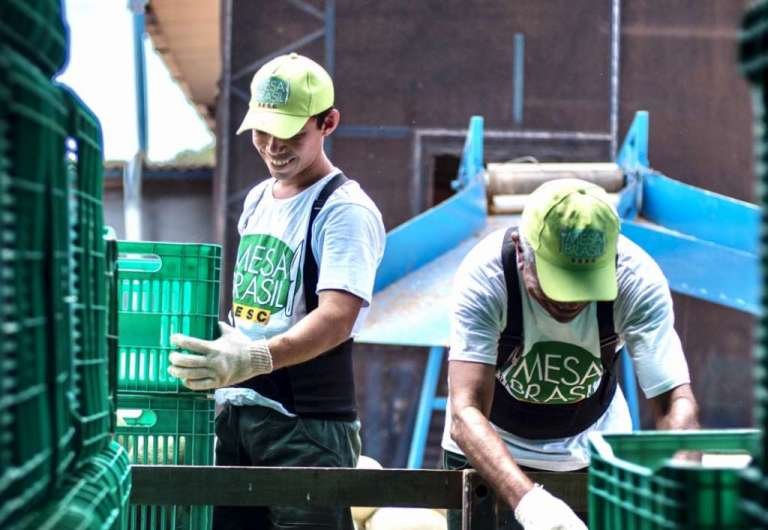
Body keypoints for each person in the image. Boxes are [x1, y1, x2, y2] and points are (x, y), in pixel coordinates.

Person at [168, 52, 386, 530]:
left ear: (328, 123)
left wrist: (255, 358)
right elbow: (255, 311)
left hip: (305, 428)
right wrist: (225, 354)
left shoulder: (345, 211)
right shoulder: (256, 199)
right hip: (236, 417)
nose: (272, 146)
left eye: (291, 133)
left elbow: (337, 317)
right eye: (262, 131)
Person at [441, 178, 700, 530]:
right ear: (522, 251)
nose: (572, 300)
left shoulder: (637, 280)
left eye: (586, 283)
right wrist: (531, 504)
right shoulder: (486, 277)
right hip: (488, 450)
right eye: (559, 282)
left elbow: (673, 403)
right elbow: (466, 411)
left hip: (593, 448)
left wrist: (684, 487)